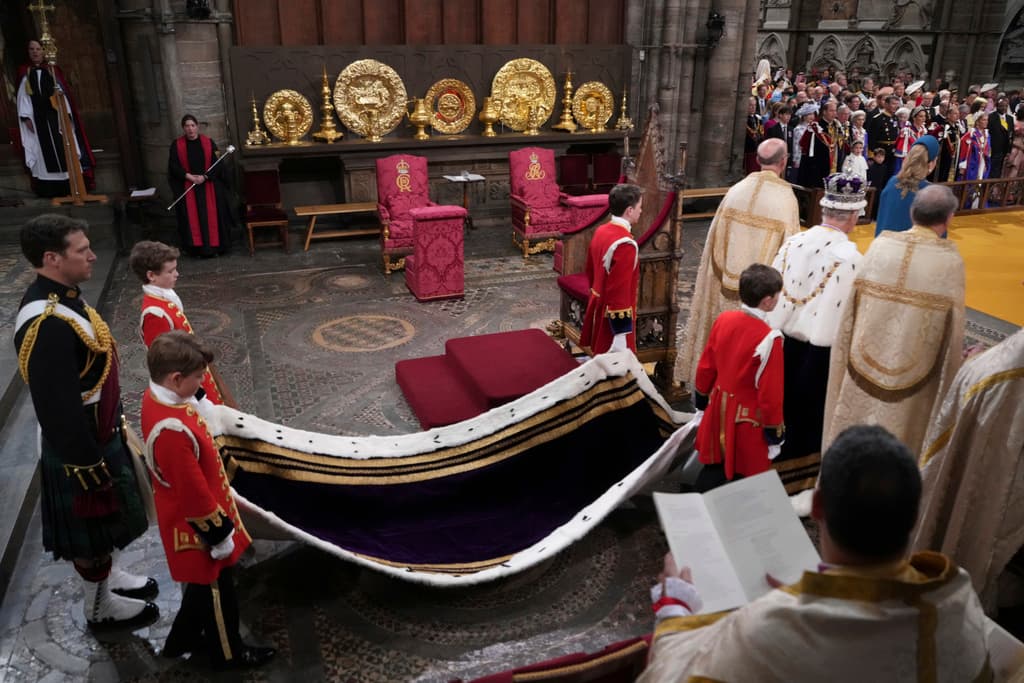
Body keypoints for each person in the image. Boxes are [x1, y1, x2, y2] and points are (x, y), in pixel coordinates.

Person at [639, 425, 991, 682]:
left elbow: (668, 677)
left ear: (818, 507)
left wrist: (674, 605)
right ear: (914, 516)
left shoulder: (768, 627)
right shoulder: (958, 603)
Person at [13, 214, 158, 629]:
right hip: (82, 448)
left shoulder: (67, 297)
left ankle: (110, 578)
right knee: (92, 530)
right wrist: (87, 467)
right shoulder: (47, 324)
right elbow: (56, 406)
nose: (93, 255)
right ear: (51, 258)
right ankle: (99, 606)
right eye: (82, 250)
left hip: (101, 429)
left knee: (109, 525)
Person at [141, 331, 275, 668]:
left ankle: (180, 640)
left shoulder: (161, 399)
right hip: (198, 530)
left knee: (201, 589)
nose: (203, 382)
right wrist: (218, 535)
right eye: (198, 376)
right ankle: (228, 653)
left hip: (197, 515)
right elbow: (192, 493)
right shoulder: (171, 430)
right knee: (218, 591)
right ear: (175, 379)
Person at [823, 185, 965, 456]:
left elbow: (850, 314)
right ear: (949, 219)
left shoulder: (880, 247)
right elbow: (953, 336)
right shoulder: (949, 263)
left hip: (862, 364)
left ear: (913, 213)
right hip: (914, 380)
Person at [767, 174, 863, 497]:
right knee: (805, 416)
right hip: (817, 350)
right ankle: (797, 479)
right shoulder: (851, 259)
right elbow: (849, 317)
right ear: (853, 216)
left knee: (776, 404)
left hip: (778, 337)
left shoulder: (793, 241)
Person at [676, 138, 799, 387]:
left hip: (724, 281)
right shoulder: (786, 199)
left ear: (757, 160)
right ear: (783, 162)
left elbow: (713, 240)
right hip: (761, 292)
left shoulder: (736, 191)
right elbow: (790, 252)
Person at [692, 264, 785, 491]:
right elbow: (770, 394)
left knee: (713, 468)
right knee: (745, 477)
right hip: (747, 420)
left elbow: (706, 366)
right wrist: (774, 434)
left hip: (718, 409)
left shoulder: (724, 319)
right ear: (767, 301)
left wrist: (702, 401)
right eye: (777, 296)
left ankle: (693, 515)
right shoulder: (770, 339)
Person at [128, 240, 225, 404]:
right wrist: (197, 397)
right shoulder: (155, 314)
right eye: (170, 271)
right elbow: (167, 363)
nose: (177, 274)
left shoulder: (165, 299)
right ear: (151, 275)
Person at [16, 39, 96, 197]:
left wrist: (64, 115)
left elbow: (64, 96)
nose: (35, 52)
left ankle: (71, 187)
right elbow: (23, 97)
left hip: (57, 120)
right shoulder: (26, 72)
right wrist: (26, 118)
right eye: (32, 49)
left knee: (63, 149)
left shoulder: (53, 70)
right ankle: (49, 190)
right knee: (43, 153)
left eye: (38, 49)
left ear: (44, 51)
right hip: (38, 121)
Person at [579, 184, 643, 354]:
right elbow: (619, 292)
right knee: (614, 371)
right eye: (639, 207)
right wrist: (621, 335)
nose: (641, 211)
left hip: (598, 305)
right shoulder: (625, 244)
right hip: (613, 322)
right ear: (629, 210)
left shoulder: (602, 230)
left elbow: (590, 270)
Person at [168, 114, 232, 258]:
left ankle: (215, 248)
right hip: (188, 186)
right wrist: (189, 176)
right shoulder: (176, 145)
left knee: (210, 216)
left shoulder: (209, 143)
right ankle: (196, 250)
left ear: (197, 126)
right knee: (192, 219)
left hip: (207, 185)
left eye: (192, 125)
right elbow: (173, 165)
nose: (190, 129)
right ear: (183, 128)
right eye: (187, 126)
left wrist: (205, 177)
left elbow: (218, 162)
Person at [875, 135, 939, 236]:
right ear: (931, 164)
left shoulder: (892, 183)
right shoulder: (931, 194)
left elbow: (882, 220)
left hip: (883, 247)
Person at [797, 100, 841, 188]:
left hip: (833, 165)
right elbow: (804, 145)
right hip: (817, 166)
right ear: (824, 112)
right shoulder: (815, 127)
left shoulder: (837, 125)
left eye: (835, 111)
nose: (834, 113)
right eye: (831, 111)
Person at [958, 111, 991, 208]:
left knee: (981, 182)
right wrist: (963, 164)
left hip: (983, 163)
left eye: (987, 120)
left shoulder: (987, 134)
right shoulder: (971, 134)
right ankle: (967, 205)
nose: (986, 122)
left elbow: (988, 148)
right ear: (977, 122)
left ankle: (977, 204)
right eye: (984, 120)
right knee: (971, 183)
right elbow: (964, 146)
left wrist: (986, 159)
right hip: (973, 164)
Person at [988, 97, 1015, 178]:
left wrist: (1009, 150)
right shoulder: (991, 117)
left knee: (1000, 171)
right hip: (993, 149)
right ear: (997, 106)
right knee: (992, 170)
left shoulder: (1010, 119)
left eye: (1005, 106)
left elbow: (1011, 134)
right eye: (1001, 106)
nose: (1004, 108)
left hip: (1004, 149)